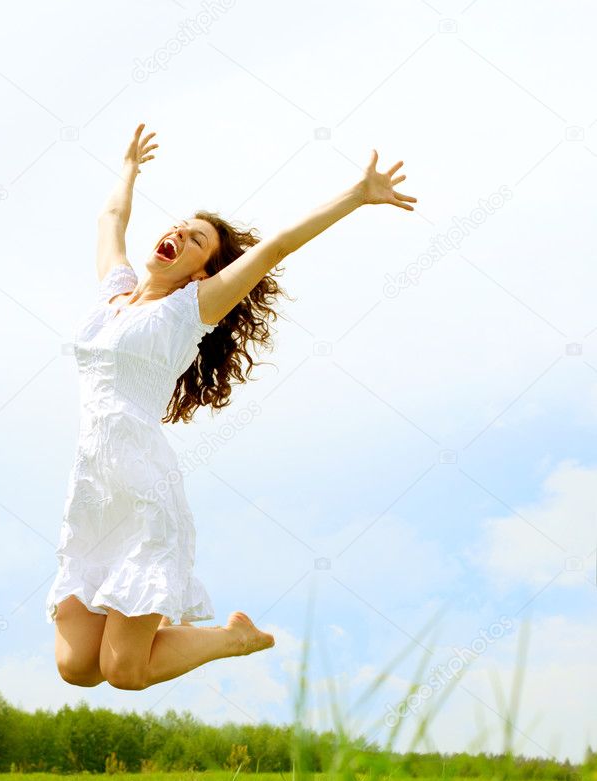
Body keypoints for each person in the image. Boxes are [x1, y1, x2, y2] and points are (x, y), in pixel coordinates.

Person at [46, 122, 417, 692]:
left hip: (143, 491)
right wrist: (128, 169)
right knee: (76, 667)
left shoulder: (189, 309)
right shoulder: (112, 293)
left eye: (197, 240)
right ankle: (199, 634)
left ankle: (233, 638)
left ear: (200, 272)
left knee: (124, 671)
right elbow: (110, 221)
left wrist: (357, 194)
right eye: (180, 227)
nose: (179, 234)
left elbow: (275, 247)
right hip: (94, 490)